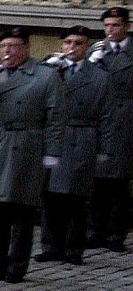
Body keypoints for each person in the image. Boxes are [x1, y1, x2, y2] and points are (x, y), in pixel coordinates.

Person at [0, 27, 59, 284]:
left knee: (22, 208)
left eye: (13, 46)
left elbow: (55, 117)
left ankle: (17, 264)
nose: (7, 52)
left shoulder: (45, 76)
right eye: (3, 47)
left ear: (26, 48)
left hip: (28, 144)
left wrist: (51, 152)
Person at [41, 25, 106, 264]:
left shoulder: (99, 76)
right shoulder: (51, 71)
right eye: (68, 42)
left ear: (87, 46)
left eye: (78, 43)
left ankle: (73, 248)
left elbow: (107, 114)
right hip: (55, 135)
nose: (72, 48)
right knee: (50, 196)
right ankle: (51, 246)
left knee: (76, 198)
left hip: (82, 135)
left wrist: (103, 147)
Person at [90, 7, 133, 253]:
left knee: (119, 183)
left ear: (126, 26)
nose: (110, 30)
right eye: (107, 26)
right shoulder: (98, 50)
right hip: (102, 121)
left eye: (115, 25)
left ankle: (116, 235)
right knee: (98, 182)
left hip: (126, 122)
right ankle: (96, 231)